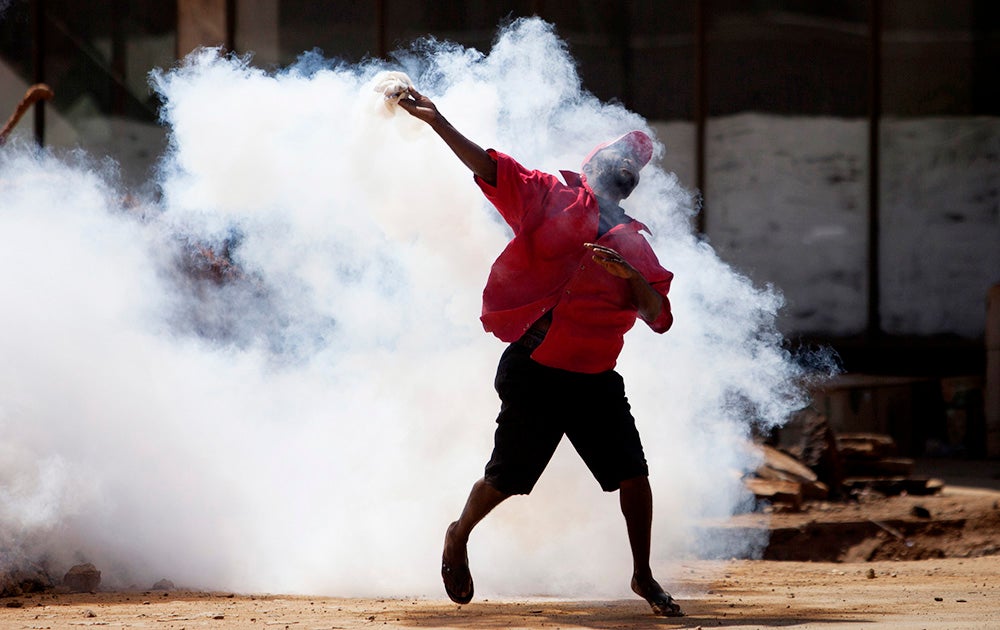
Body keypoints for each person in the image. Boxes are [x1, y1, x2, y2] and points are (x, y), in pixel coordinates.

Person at [398, 87, 682, 617]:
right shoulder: (548, 196)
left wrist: (630, 276)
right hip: (535, 369)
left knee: (634, 476)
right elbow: (490, 166)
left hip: (595, 378)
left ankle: (642, 574)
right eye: (617, 158)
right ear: (592, 165)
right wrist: (438, 121)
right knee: (508, 477)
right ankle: (458, 534)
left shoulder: (635, 243)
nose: (626, 167)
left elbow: (659, 316)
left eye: (633, 166)